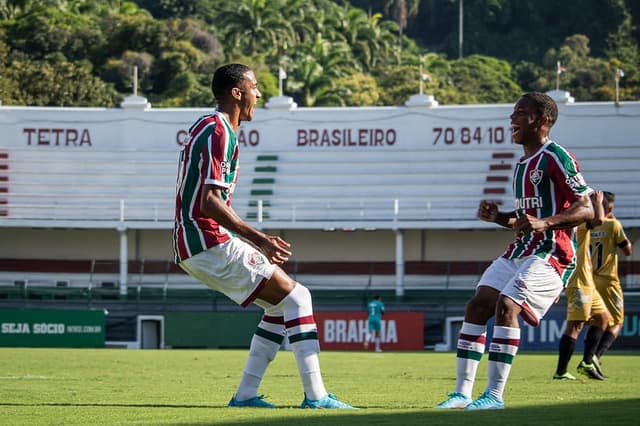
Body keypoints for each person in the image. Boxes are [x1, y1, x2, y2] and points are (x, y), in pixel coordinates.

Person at [172, 63, 355, 410]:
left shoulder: (208, 126)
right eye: (254, 87)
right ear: (236, 93)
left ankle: (245, 395)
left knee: (279, 305)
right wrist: (260, 239)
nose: (259, 94)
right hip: (206, 239)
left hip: (195, 242)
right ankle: (317, 398)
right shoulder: (218, 131)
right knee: (299, 298)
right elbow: (209, 202)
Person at [435, 92, 594, 410]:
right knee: (478, 304)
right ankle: (461, 394)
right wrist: (497, 217)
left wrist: (546, 223)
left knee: (507, 305)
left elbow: (587, 207)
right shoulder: (522, 165)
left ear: (543, 120)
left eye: (522, 113)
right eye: (513, 113)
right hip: (522, 248)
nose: (513, 119)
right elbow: (525, 223)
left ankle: (494, 395)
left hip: (552, 253)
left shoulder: (555, 156)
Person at [553, 191, 609, 381]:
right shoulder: (578, 222)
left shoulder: (578, 220)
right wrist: (599, 202)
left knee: (603, 318)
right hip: (578, 281)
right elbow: (600, 219)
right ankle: (560, 372)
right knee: (575, 325)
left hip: (588, 282)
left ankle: (586, 362)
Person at [590, 191, 633, 364]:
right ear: (611, 208)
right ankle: (595, 356)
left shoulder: (587, 226)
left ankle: (587, 356)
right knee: (617, 322)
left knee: (596, 321)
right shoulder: (613, 225)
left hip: (590, 280)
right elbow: (628, 250)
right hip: (608, 281)